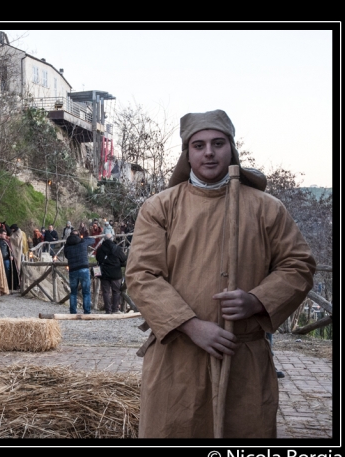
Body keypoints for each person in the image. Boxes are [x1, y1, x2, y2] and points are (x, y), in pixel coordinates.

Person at [125, 109, 316, 438]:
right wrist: (192, 325)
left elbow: (298, 266)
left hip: (242, 359)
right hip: (177, 360)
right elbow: (142, 275)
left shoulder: (266, 208)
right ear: (187, 154)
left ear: (232, 148)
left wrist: (256, 300)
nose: (209, 152)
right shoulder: (160, 207)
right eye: (198, 145)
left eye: (218, 143)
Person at [96, 233, 127, 314]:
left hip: (104, 273)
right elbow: (123, 258)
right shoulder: (117, 248)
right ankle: (115, 309)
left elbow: (97, 258)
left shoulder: (100, 249)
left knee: (106, 292)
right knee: (116, 291)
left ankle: (108, 310)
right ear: (112, 239)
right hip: (115, 273)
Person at [62, 230, 91, 315]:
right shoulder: (83, 242)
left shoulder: (67, 245)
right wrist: (84, 237)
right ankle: (87, 311)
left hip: (73, 269)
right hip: (84, 268)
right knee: (86, 292)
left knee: (73, 292)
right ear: (79, 235)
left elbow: (66, 255)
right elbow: (92, 240)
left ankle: (73, 311)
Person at [8, 224, 29, 291]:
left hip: (18, 251)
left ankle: (19, 283)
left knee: (18, 266)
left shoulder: (19, 232)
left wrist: (10, 238)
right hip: (17, 250)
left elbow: (17, 241)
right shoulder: (16, 232)